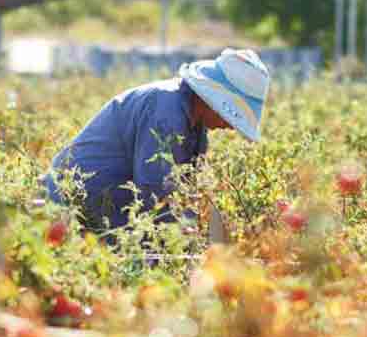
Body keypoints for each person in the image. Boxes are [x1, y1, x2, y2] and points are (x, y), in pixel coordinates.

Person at [42, 48, 270, 232]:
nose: (231, 126)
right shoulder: (166, 112)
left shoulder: (194, 126)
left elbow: (182, 193)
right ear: (213, 100)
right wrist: (184, 241)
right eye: (231, 116)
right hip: (70, 210)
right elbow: (155, 195)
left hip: (104, 217)